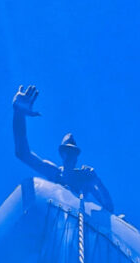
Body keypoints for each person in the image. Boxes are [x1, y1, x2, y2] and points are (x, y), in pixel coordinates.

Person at [12, 85, 115, 213]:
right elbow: (22, 153)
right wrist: (19, 113)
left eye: (73, 152)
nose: (70, 156)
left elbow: (109, 209)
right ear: (62, 154)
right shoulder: (55, 173)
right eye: (67, 152)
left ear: (77, 157)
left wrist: (98, 182)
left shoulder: (83, 181)